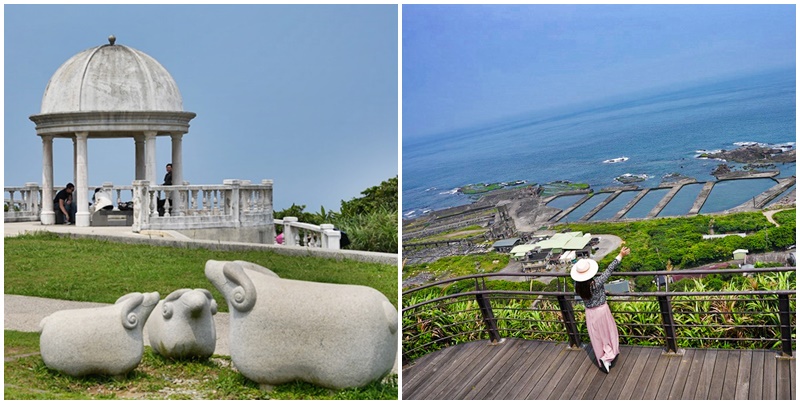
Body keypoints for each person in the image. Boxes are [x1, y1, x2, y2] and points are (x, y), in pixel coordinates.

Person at [571, 246, 631, 374]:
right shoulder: (596, 283)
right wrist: (620, 254)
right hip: (602, 311)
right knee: (609, 333)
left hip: (590, 312)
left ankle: (603, 358)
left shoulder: (577, 286)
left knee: (597, 337)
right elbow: (609, 270)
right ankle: (608, 356)